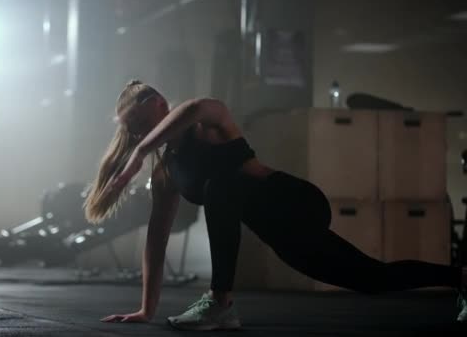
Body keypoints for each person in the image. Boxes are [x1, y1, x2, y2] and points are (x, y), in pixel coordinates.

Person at [83, 80, 467, 331]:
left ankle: (221, 303)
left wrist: (139, 154)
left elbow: (199, 105)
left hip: (295, 201)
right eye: (131, 129)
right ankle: (461, 278)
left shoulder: (206, 124)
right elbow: (156, 240)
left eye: (138, 121)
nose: (136, 134)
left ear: (160, 104)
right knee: (371, 278)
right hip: (278, 230)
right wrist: (146, 310)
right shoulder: (166, 173)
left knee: (220, 187)